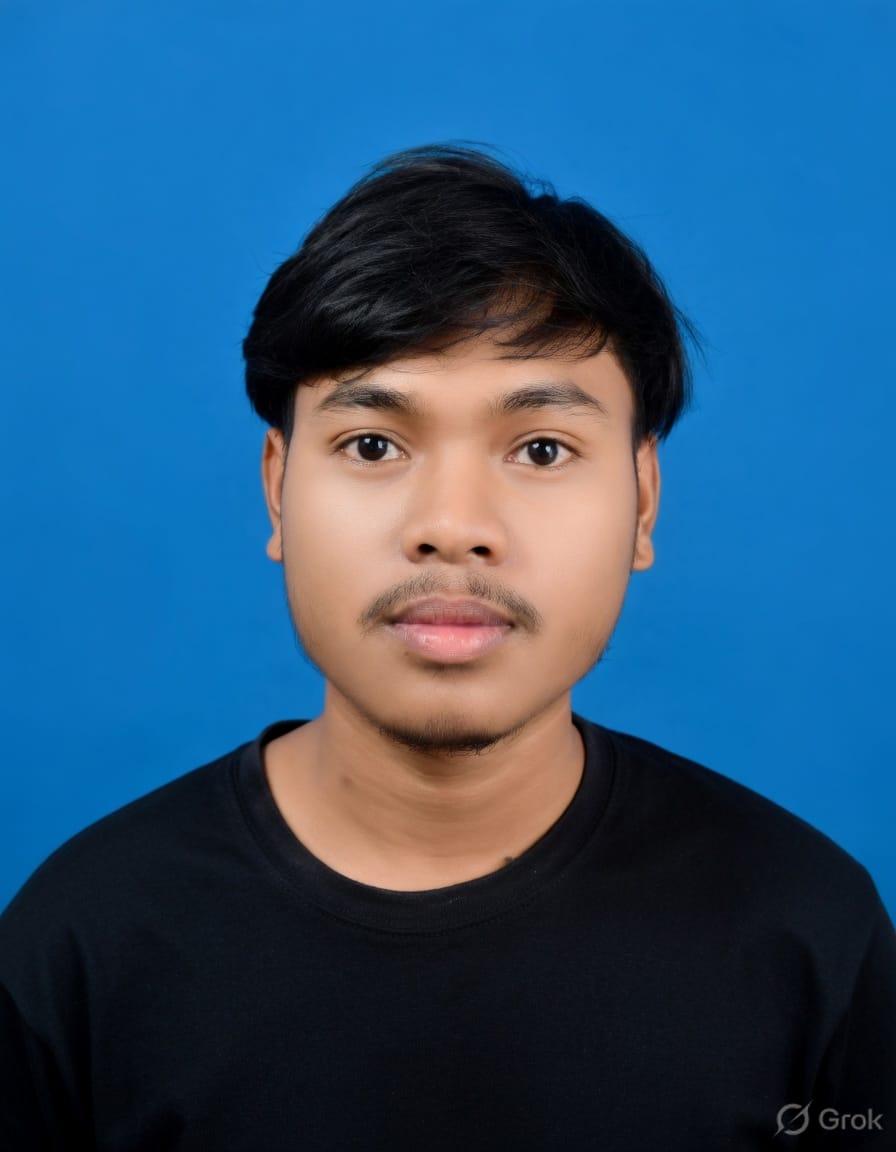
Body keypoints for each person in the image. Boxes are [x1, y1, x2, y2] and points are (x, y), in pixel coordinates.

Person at [1, 143, 893, 1151]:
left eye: (541, 449)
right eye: (373, 445)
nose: (453, 526)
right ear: (277, 488)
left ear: (642, 501)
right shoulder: (77, 948)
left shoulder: (808, 934)